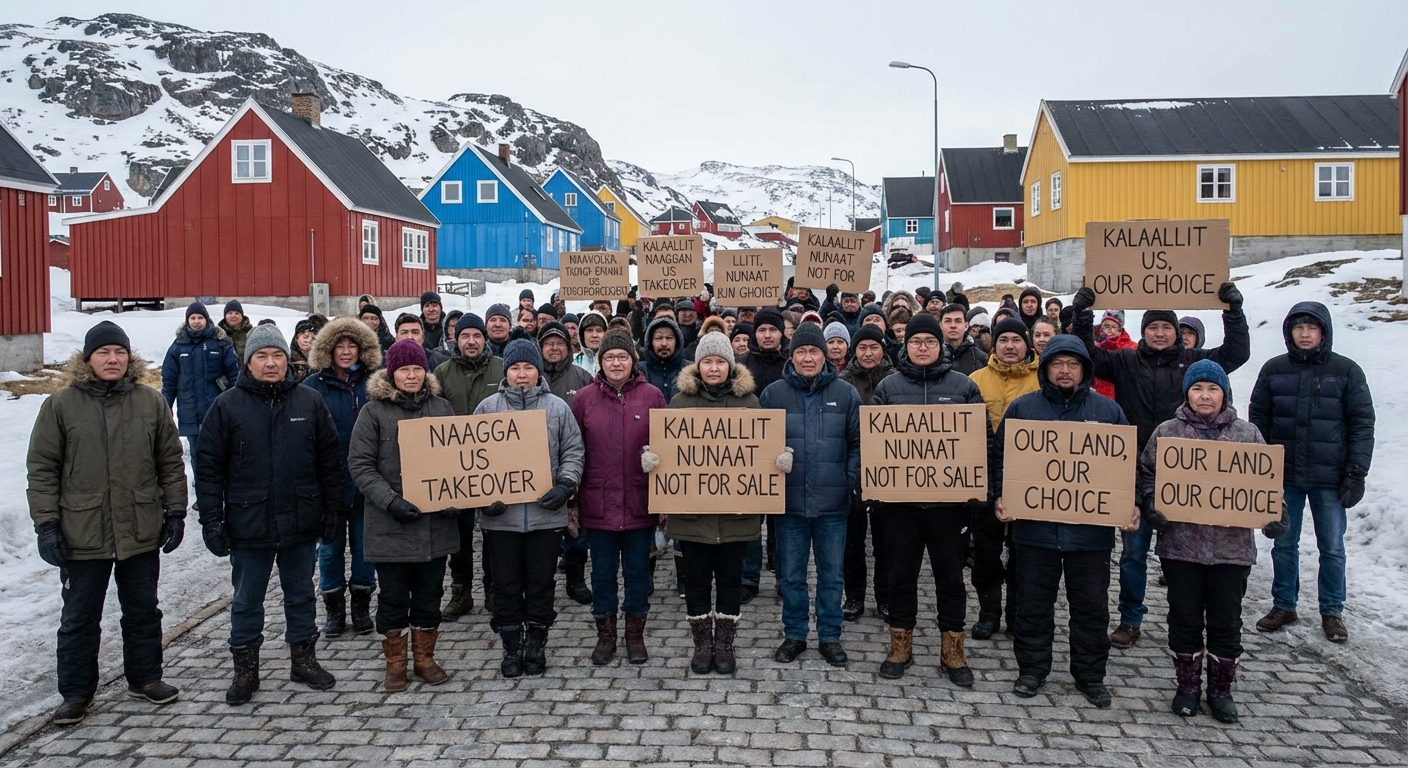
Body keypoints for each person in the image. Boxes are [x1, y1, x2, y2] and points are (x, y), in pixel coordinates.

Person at [1071, 281, 1248, 650]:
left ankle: (1186, 619)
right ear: (1143, 332)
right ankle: (1130, 618)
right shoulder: (1125, 360)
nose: (1160, 333)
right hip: (1135, 469)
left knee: (1186, 554)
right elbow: (1087, 354)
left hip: (1189, 474)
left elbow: (1235, 354)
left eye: (1166, 327)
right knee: (1133, 553)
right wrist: (1083, 313)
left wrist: (1234, 313)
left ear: (1177, 333)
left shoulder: (1194, 363)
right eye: (1153, 327)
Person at [28, 321, 187, 725]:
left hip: (139, 527)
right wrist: (46, 524)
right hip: (82, 531)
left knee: (143, 610)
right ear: (87, 360)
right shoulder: (61, 405)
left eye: (119, 352)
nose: (112, 359)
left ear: (129, 358)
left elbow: (170, 463)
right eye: (104, 353)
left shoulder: (149, 402)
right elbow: (43, 469)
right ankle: (77, 694)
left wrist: (175, 512)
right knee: (80, 617)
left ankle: (146, 678)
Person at [195, 324, 345, 705]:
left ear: (287, 359)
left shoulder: (308, 402)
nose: (271, 363)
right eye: (261, 356)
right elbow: (208, 469)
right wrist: (211, 520)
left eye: (277, 355)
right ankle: (246, 669)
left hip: (300, 517)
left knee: (300, 594)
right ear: (248, 363)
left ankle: (303, 659)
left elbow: (329, 461)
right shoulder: (227, 406)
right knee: (247, 599)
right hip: (249, 521)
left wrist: (332, 508)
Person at [991, 334, 1140, 708]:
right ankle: (1032, 670)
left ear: (1084, 369)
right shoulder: (1024, 409)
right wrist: (1000, 496)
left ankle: (1090, 676)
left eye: (1073, 364)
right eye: (1057, 364)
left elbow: (1127, 468)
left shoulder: (1108, 411)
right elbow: (997, 457)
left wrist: (1130, 503)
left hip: (1090, 536)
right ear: (1045, 368)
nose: (1064, 370)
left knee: (1090, 609)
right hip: (1034, 532)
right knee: (1032, 605)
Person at [1137, 360, 1269, 723]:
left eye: (1212, 389)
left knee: (1227, 621)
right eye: (1198, 389)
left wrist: (1277, 514)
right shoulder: (1167, 432)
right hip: (1181, 546)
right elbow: (1147, 473)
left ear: (1224, 393)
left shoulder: (1247, 434)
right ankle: (1188, 687)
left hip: (1231, 549)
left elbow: (1266, 484)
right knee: (1184, 616)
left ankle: (1221, 690)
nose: (1205, 396)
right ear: (1187, 394)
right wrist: (1150, 503)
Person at [1250, 302, 1375, 643]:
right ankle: (1284, 604)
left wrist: (1356, 472)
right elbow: (1258, 421)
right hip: (1285, 476)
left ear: (1324, 332)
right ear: (1289, 332)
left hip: (1330, 478)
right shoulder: (1274, 370)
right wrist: (1260, 470)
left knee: (1332, 547)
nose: (1305, 334)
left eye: (1312, 328)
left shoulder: (1347, 371)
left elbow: (1362, 424)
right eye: (1298, 328)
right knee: (1283, 543)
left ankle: (1332, 611)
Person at [871, 313, 985, 684]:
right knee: (900, 575)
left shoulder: (964, 387)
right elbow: (872, 445)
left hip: (949, 507)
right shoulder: (888, 388)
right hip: (900, 505)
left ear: (941, 346)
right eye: (917, 342)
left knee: (950, 578)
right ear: (906, 346)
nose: (923, 348)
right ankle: (899, 644)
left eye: (930, 342)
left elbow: (980, 442)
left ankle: (953, 650)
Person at [648, 332, 770, 674]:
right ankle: (702, 642)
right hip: (692, 514)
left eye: (720, 361)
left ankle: (725, 643)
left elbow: (760, 449)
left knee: (731, 579)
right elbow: (669, 450)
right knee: (697, 580)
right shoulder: (679, 403)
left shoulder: (750, 402)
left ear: (730, 366)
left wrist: (778, 460)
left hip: (736, 513)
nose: (713, 368)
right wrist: (654, 459)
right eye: (707, 361)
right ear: (697, 365)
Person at [347, 339, 458, 692]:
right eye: (403, 369)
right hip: (390, 525)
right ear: (391, 373)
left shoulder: (442, 408)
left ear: (425, 371)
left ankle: (425, 658)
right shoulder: (373, 412)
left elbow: (457, 459)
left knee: (429, 594)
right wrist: (391, 501)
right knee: (393, 597)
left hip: (433, 526)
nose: (411, 375)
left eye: (416, 369)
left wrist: (456, 496)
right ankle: (395, 663)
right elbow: (360, 466)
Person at [475, 340, 585, 677]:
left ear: (538, 371)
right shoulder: (487, 408)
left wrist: (566, 484)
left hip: (544, 518)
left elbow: (573, 450)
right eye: (515, 368)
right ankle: (511, 646)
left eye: (528, 368)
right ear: (505, 372)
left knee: (540, 585)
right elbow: (471, 462)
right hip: (501, 520)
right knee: (505, 586)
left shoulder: (556, 408)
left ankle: (536, 644)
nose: (522, 375)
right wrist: (482, 498)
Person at [760, 323, 861, 667]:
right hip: (789, 502)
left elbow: (858, 444)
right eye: (801, 351)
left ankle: (830, 636)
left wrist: (849, 481)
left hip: (833, 504)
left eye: (814, 351)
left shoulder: (846, 394)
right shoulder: (773, 394)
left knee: (832, 575)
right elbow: (758, 445)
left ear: (825, 355)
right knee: (791, 574)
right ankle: (795, 634)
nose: (807, 358)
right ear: (792, 355)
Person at [572, 329, 668, 665]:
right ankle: (606, 635)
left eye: (622, 356)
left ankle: (634, 635)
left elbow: (669, 448)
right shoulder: (584, 398)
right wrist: (573, 500)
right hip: (598, 502)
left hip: (640, 503)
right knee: (601, 574)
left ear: (633, 361)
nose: (616, 362)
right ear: (600, 361)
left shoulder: (653, 396)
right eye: (610, 357)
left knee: (639, 573)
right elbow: (574, 450)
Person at [303, 318, 382, 638]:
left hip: (367, 482)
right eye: (340, 346)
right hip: (329, 484)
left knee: (366, 549)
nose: (347, 352)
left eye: (352, 346)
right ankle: (334, 612)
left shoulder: (375, 383)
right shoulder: (312, 386)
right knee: (330, 549)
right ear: (328, 349)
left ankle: (362, 609)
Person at [966, 318, 1041, 640]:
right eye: (1003, 340)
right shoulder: (975, 380)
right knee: (986, 552)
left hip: (1031, 481)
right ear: (993, 345)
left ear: (1028, 345)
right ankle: (989, 612)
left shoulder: (1043, 380)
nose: (1010, 346)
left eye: (1016, 340)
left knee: (1025, 552)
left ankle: (1017, 614)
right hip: (985, 480)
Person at [434, 314, 506, 620]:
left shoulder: (501, 368)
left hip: (497, 465)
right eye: (465, 336)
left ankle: (494, 590)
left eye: (477, 335)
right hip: (455, 468)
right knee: (459, 535)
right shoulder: (441, 372)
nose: (471, 342)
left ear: (484, 338)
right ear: (456, 339)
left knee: (495, 531)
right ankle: (461, 591)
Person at [839, 324, 896, 622]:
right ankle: (855, 596)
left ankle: (885, 597)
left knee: (886, 541)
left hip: (889, 471)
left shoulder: (896, 380)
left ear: (882, 350)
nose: (868, 353)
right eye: (862, 348)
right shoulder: (843, 383)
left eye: (874, 347)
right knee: (852, 541)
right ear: (855, 351)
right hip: (854, 469)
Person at [538, 321, 594, 606]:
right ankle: (542, 582)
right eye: (548, 343)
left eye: (559, 342)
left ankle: (576, 578)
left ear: (568, 346)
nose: (554, 348)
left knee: (576, 532)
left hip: (574, 464)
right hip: (537, 468)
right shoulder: (530, 378)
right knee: (545, 532)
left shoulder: (582, 377)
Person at [740, 307, 790, 599]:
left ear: (781, 332)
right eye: (762, 330)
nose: (767, 335)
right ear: (754, 334)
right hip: (749, 453)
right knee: (750, 521)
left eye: (772, 330)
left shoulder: (790, 364)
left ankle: (784, 577)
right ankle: (749, 578)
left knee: (782, 522)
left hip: (785, 450)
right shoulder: (741, 365)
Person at [161, 302, 239, 485]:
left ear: (207, 319)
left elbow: (234, 373)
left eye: (200, 318)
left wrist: (234, 400)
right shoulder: (177, 346)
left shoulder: (221, 343)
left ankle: (223, 488)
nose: (197, 321)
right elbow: (169, 380)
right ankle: (203, 491)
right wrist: (166, 406)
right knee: (197, 454)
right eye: (193, 318)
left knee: (222, 452)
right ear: (187, 321)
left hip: (217, 410)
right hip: (190, 411)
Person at [641, 316, 689, 403]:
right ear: (650, 342)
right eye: (658, 338)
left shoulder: (690, 370)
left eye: (669, 338)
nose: (664, 344)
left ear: (677, 341)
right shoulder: (639, 372)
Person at [1092, 310, 1136, 400]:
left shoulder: (1133, 347)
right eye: (1106, 326)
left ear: (1120, 328)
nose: (1110, 330)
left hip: (1125, 397)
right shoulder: (1095, 347)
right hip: (1098, 397)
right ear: (1101, 328)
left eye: (1114, 327)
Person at [940, 304, 987, 375]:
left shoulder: (979, 357)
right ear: (940, 325)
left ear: (966, 326)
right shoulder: (932, 355)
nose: (953, 326)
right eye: (948, 321)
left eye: (958, 321)